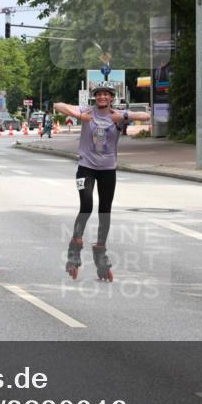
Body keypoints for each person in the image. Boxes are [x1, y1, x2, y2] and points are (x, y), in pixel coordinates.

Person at [54, 83, 150, 281]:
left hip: (107, 170)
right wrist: (80, 117)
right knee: (86, 205)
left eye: (106, 95)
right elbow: (58, 105)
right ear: (94, 97)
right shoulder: (86, 111)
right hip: (85, 168)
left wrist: (123, 117)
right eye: (99, 95)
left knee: (105, 212)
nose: (102, 97)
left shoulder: (117, 115)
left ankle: (100, 252)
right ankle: (75, 247)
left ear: (111, 98)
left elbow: (146, 116)